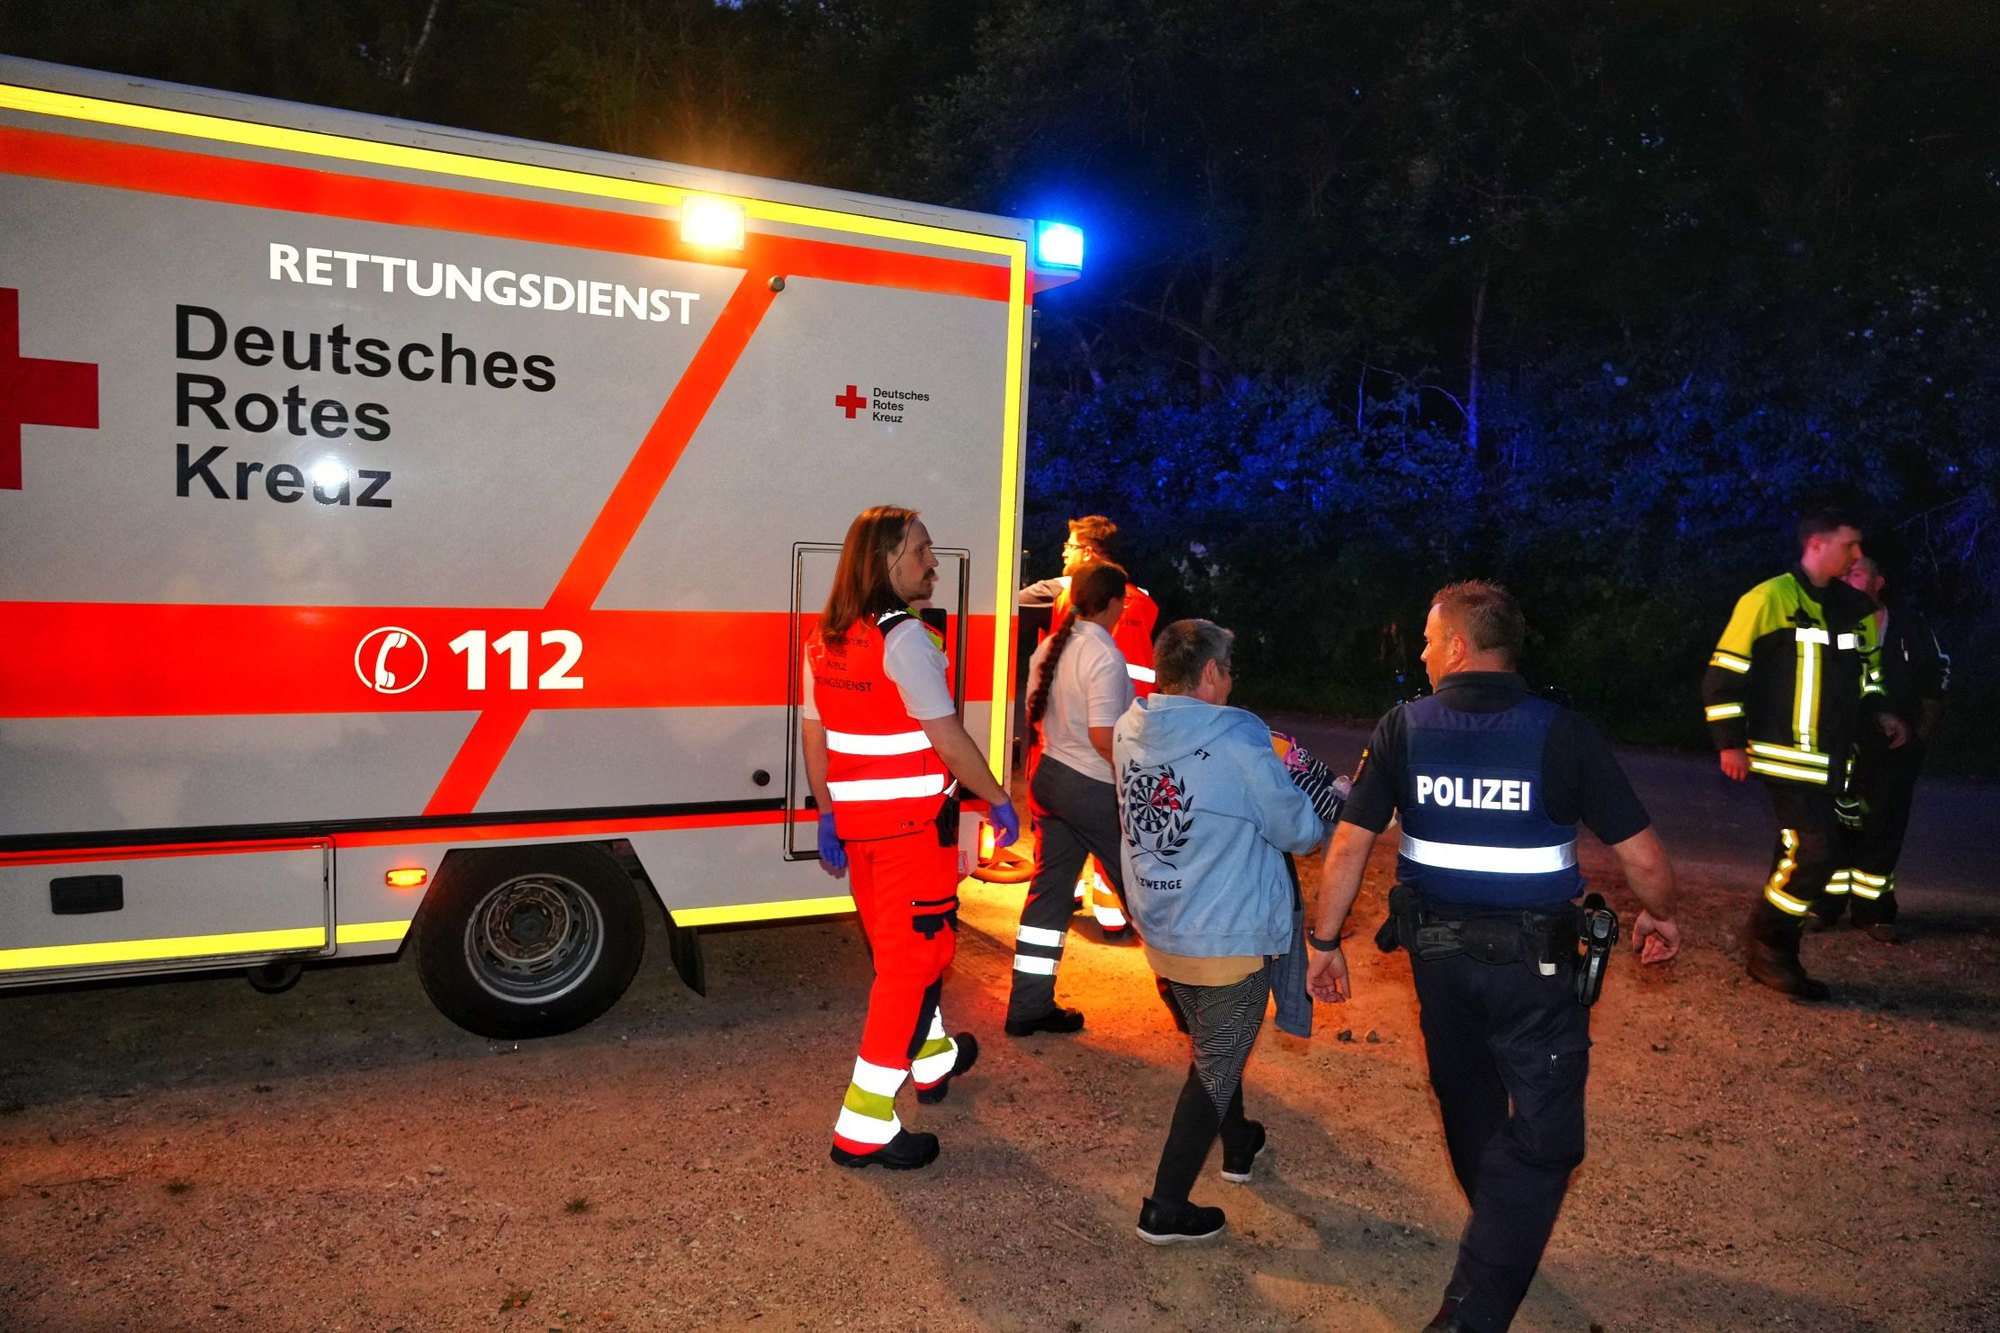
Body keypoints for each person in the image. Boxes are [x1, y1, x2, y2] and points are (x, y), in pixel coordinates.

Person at [1308, 581, 1681, 1333]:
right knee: (1545, 1141)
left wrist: (1324, 942)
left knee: (1468, 1099)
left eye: (1426, 640)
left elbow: (1350, 843)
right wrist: (1661, 913)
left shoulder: (1403, 728)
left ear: (1457, 647)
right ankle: (1476, 1304)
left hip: (1440, 965)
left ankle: (1496, 1236)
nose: (1421, 654)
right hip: (1536, 974)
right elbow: (1642, 857)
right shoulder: (1562, 732)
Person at [801, 505, 1021, 1170]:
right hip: (911, 834)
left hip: (862, 833)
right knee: (911, 965)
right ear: (886, 560)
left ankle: (932, 1059)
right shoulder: (905, 640)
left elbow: (815, 734)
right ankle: (863, 1126)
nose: (933, 564)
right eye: (922, 551)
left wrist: (828, 812)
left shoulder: (825, 638)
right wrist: (997, 796)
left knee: (904, 955)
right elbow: (947, 738)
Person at [1114, 619, 1331, 1245]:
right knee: (1213, 1067)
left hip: (1163, 925)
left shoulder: (1129, 728)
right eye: (1229, 670)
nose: (1232, 683)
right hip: (1226, 937)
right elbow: (1300, 833)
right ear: (1210, 673)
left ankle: (1238, 1143)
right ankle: (1165, 1207)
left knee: (1215, 1046)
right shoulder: (1238, 741)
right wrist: (1319, 796)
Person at [1701, 510, 1906, 996]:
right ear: (1817, 544)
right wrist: (1729, 743)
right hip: (1783, 755)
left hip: (1836, 760)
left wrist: (1882, 712)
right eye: (1849, 544)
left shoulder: (1855, 608)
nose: (1857, 555)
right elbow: (1723, 676)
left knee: (1811, 853)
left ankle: (1774, 944)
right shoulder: (1768, 599)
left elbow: (1869, 677)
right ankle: (1769, 946)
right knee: (1816, 850)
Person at [1006, 562, 1134, 1036]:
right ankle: (1194, 1003)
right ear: (1116, 604)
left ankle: (1028, 1006)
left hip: (1050, 777)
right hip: (1091, 786)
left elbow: (1037, 714)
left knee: (1049, 895)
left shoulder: (1050, 647)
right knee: (1146, 893)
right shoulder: (1105, 655)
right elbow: (1103, 737)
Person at [1021, 515, 1162, 932]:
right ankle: (1128, 923)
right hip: (1120, 747)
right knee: (1128, 857)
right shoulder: (1144, 600)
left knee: (1053, 881)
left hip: (1065, 762)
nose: (1063, 553)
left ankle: (1038, 962)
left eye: (1069, 545)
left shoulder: (1062, 597)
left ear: (1087, 552)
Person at [1827, 554, 1949, 941]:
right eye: (1843, 574)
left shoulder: (1911, 625)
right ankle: (1825, 907)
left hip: (1896, 747)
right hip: (1840, 742)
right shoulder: (1832, 621)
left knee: (1884, 825)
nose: (1847, 579)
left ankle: (1873, 913)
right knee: (1831, 824)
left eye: (1857, 573)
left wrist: (1920, 737)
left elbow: (1935, 679)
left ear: (1878, 582)